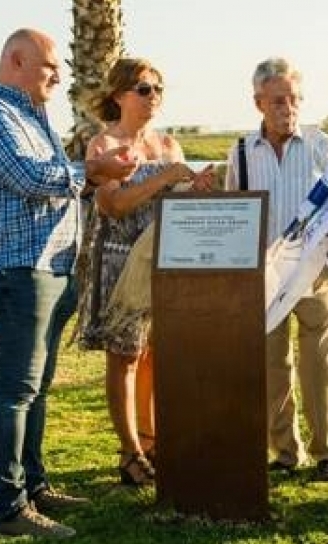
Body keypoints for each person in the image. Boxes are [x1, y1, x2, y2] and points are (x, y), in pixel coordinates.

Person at [0, 29, 137, 538]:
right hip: (18, 273)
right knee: (16, 391)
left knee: (34, 391)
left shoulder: (33, 118)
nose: (59, 76)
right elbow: (31, 179)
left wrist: (90, 176)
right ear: (16, 60)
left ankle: (34, 486)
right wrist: (93, 170)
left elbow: (54, 185)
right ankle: (8, 508)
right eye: (50, 66)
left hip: (50, 271)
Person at [76, 58, 214, 486]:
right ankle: (130, 452)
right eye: (143, 88)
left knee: (157, 355)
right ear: (119, 95)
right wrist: (167, 177)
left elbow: (180, 204)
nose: (153, 96)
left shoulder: (169, 145)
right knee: (125, 357)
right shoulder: (103, 144)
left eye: (158, 88)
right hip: (119, 260)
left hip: (165, 260)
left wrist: (196, 187)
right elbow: (113, 205)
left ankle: (154, 442)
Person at [225, 57, 328, 483]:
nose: (288, 107)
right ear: (258, 103)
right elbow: (235, 210)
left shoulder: (324, 147)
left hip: (314, 274)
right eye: (278, 100)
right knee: (271, 366)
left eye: (294, 98)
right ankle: (286, 452)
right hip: (263, 277)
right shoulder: (241, 152)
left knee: (318, 363)